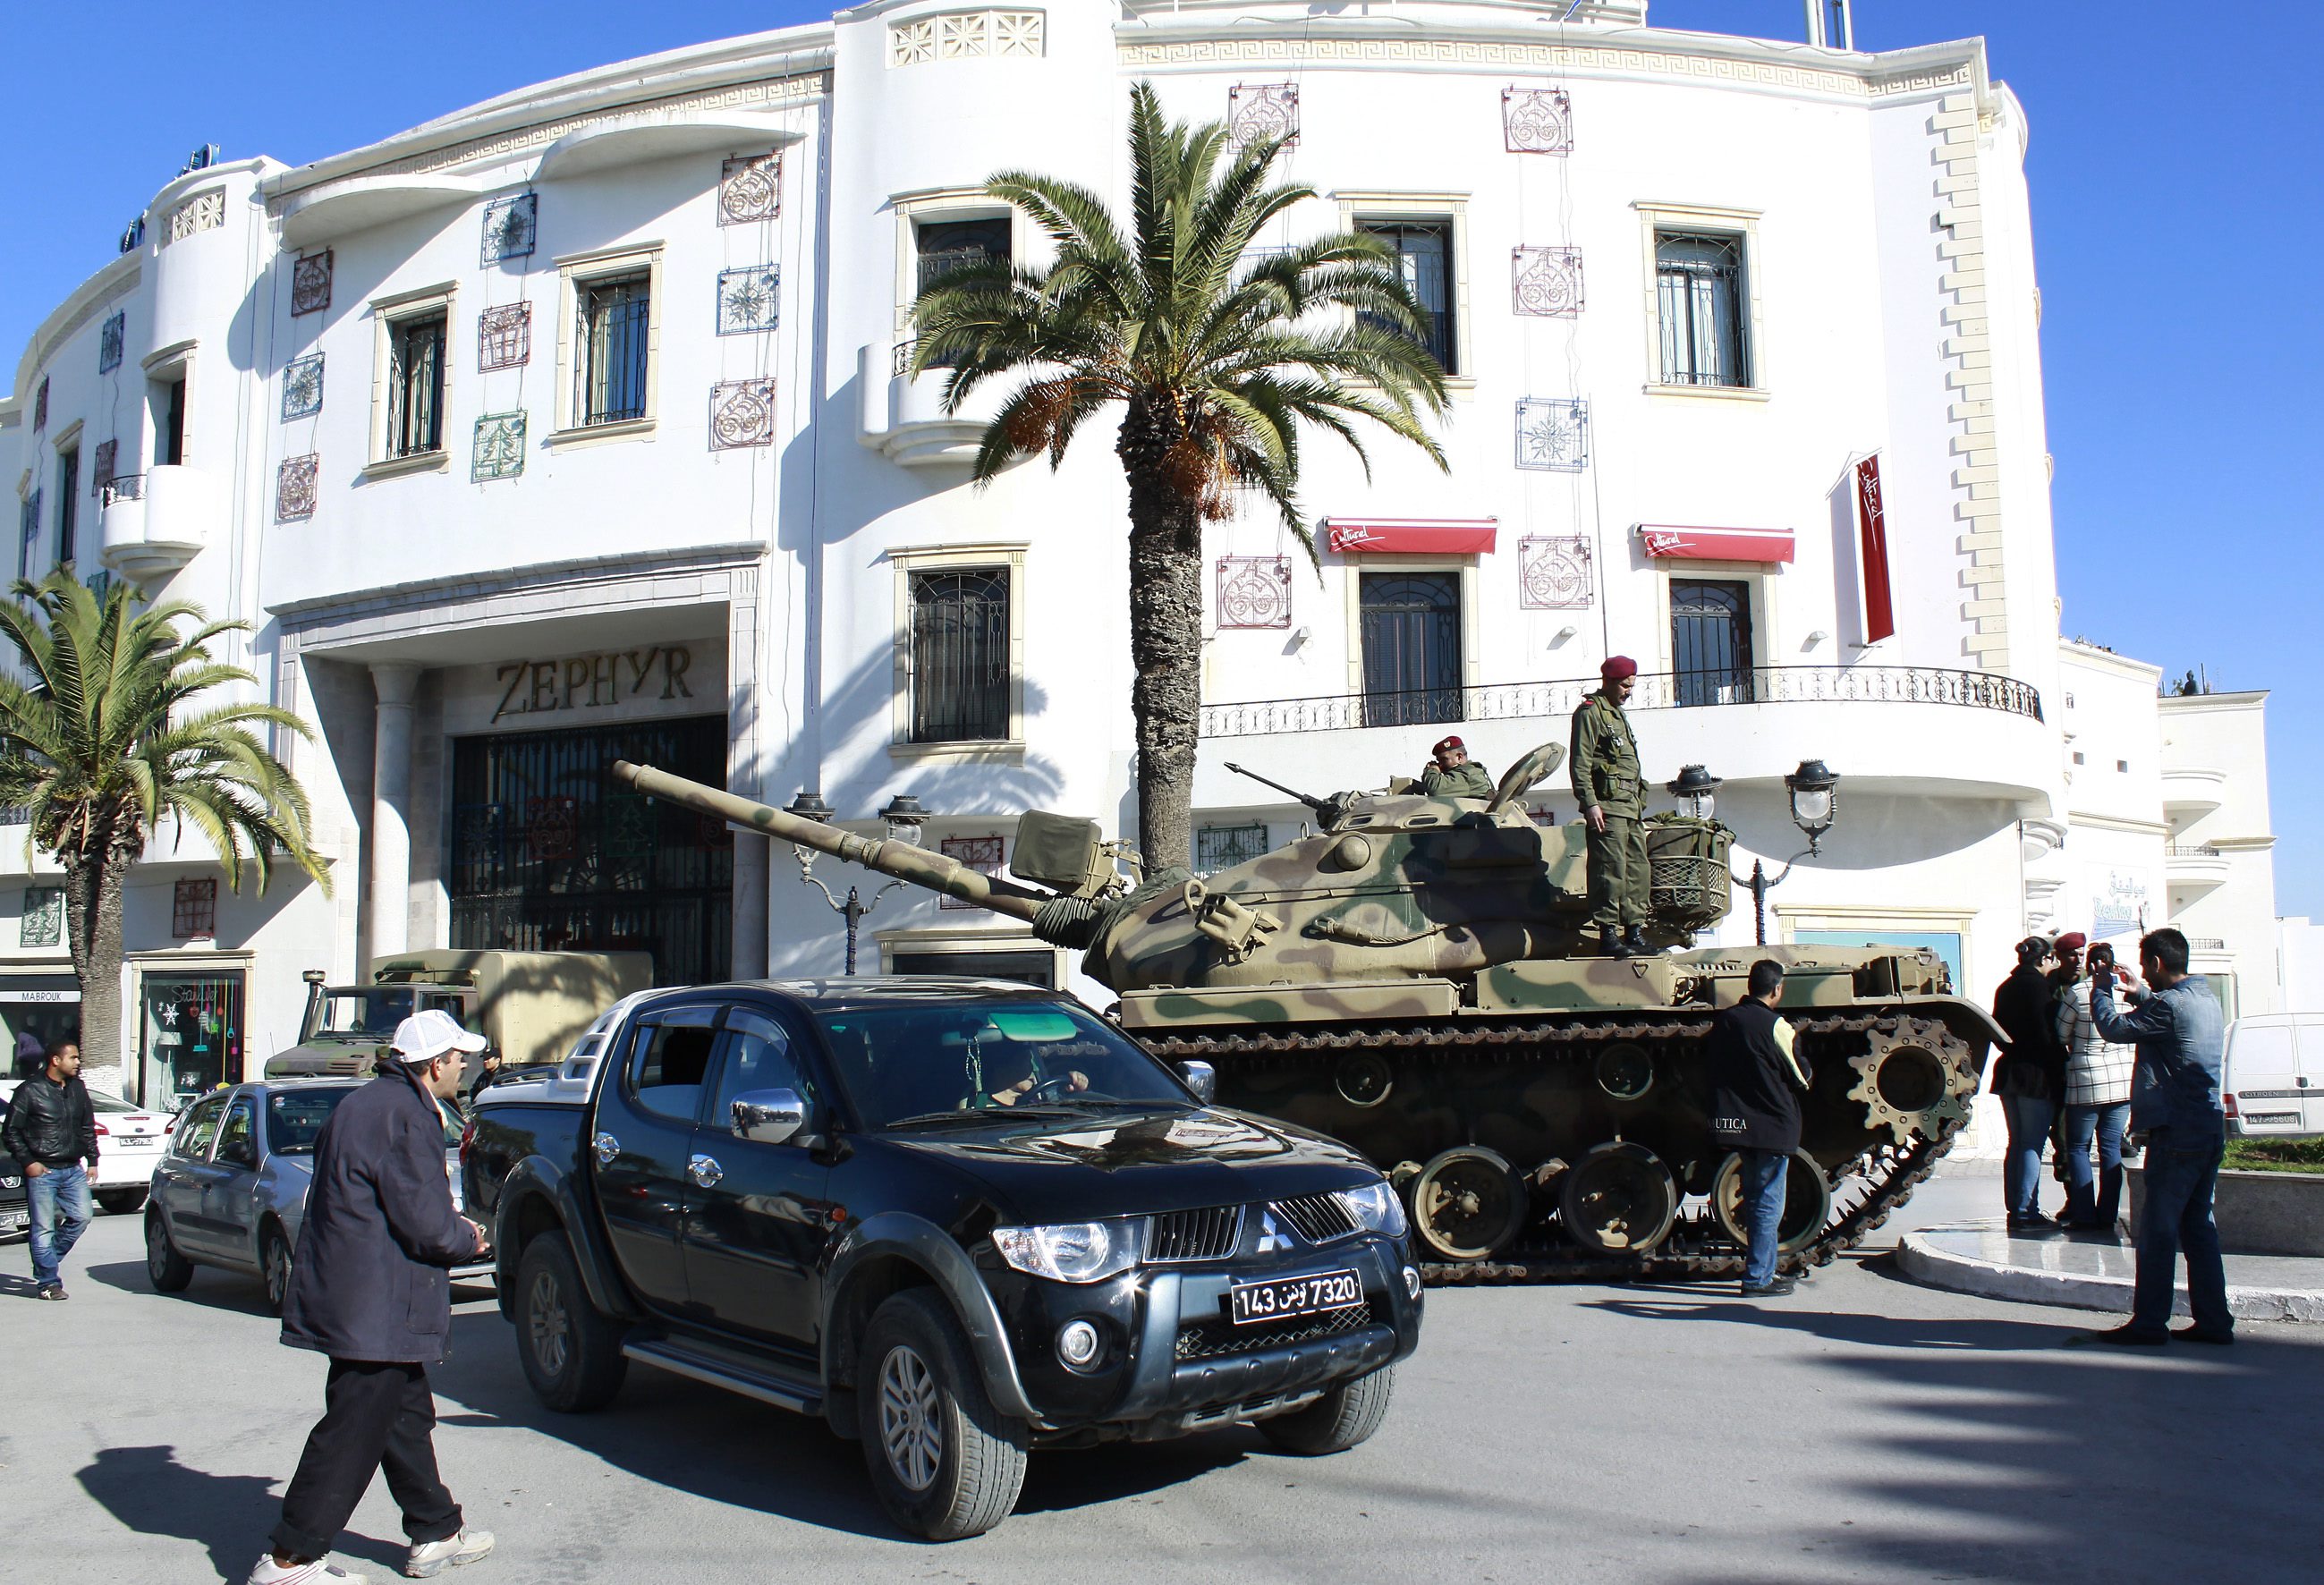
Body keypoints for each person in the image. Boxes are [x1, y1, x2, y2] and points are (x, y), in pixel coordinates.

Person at [250, 1010, 496, 1584]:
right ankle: (291, 1558)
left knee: (404, 1416)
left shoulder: (364, 1104)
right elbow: (427, 1224)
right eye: (460, 1058)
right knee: (353, 1427)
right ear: (435, 1064)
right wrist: (470, 1237)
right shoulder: (407, 1115)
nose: (465, 1066)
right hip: (377, 1301)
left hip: (362, 1294)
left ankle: (436, 1529)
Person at [2086, 929, 2233, 1346]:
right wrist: (2138, 994)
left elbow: (2114, 1029)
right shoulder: (2205, 999)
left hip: (2176, 1132)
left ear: (2153, 963)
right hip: (2207, 1127)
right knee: (2199, 1226)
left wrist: (2102, 989)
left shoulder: (2169, 1006)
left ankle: (2150, 1323)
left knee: (2158, 1230)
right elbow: (2172, 1023)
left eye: (2144, 967)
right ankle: (2214, 1322)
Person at [1708, 960, 1811, 1298]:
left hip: (1739, 1124)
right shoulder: (1776, 1025)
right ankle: (1758, 1278)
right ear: (1777, 988)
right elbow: (1801, 1076)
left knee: (1754, 1198)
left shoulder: (1726, 1021)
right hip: (1773, 1125)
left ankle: (1762, 1270)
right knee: (1768, 1201)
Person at [2051, 932, 2136, 1235]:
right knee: (2111, 1148)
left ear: (2089, 963)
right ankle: (2108, 1215)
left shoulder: (2077, 993)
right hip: (2121, 1081)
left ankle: (2084, 1215)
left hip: (2085, 1081)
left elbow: (2060, 1034)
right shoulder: (2127, 992)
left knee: (2077, 1147)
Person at [1570, 655, 1651, 959]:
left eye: (1631, 686)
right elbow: (1580, 762)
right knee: (1610, 869)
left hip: (1630, 807)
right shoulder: (1591, 713)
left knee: (1636, 871)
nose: (1629, 692)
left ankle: (1634, 929)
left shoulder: (1617, 714)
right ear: (1610, 682)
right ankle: (1608, 933)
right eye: (1625, 686)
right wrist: (1589, 803)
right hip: (1607, 806)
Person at [2, 1039, 97, 1300]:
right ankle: (48, 1283)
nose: (78, 1062)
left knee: (82, 1217)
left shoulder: (77, 1088)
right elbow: (11, 1131)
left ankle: (47, 1261)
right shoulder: (30, 1090)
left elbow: (87, 1126)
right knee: (43, 1228)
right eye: (74, 1058)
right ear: (56, 1060)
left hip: (72, 1168)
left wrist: (93, 1159)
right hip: (43, 1172)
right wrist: (29, 1162)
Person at [1989, 936, 2066, 1236]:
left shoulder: (2006, 987)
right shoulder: (2041, 988)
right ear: (2044, 959)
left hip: (2009, 1071)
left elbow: (1997, 1032)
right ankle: (2025, 1211)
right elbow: (2048, 1035)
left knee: (2017, 1143)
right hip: (2036, 1075)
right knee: (2032, 1144)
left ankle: (2016, 1209)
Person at [1420, 735, 1496, 800]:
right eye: (1438, 761)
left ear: (1459, 757)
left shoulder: (1467, 775)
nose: (1440, 765)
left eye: (1443, 760)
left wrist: (1432, 769)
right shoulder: (1471, 770)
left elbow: (1435, 789)